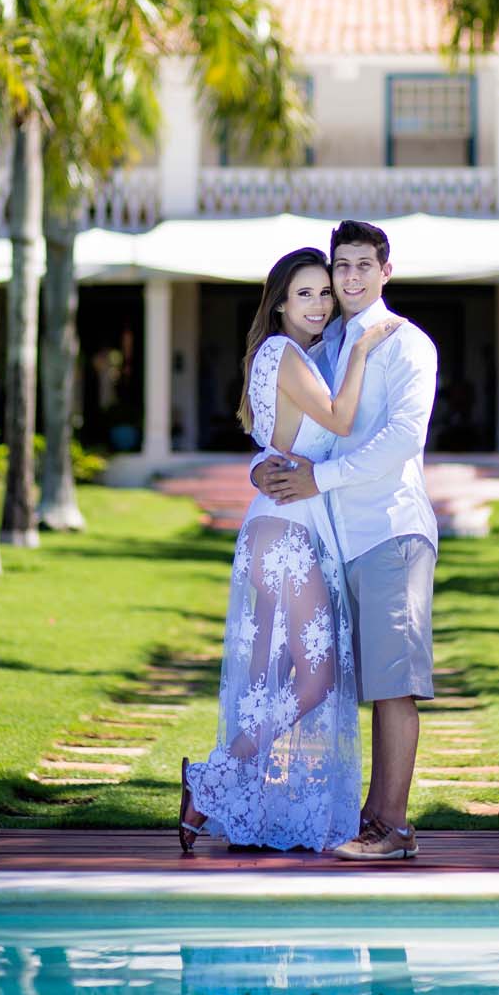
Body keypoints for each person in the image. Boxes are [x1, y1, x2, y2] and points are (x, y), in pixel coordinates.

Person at [179, 246, 400, 854]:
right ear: (279, 304)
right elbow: (341, 418)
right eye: (305, 294)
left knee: (271, 678)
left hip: (286, 526)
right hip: (286, 533)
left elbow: (277, 444)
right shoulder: (283, 352)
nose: (320, 303)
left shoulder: (291, 356)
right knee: (316, 678)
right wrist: (361, 347)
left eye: (324, 293)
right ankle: (212, 780)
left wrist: (261, 467)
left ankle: (239, 799)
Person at [253, 219, 438, 862]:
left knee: (393, 685)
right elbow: (295, 425)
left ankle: (392, 828)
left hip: (389, 531)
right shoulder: (325, 341)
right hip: (332, 539)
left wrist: (317, 479)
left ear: (386, 271)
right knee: (327, 682)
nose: (351, 277)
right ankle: (348, 816)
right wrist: (267, 469)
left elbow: (401, 441)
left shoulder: (408, 344)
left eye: (364, 265)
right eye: (342, 266)